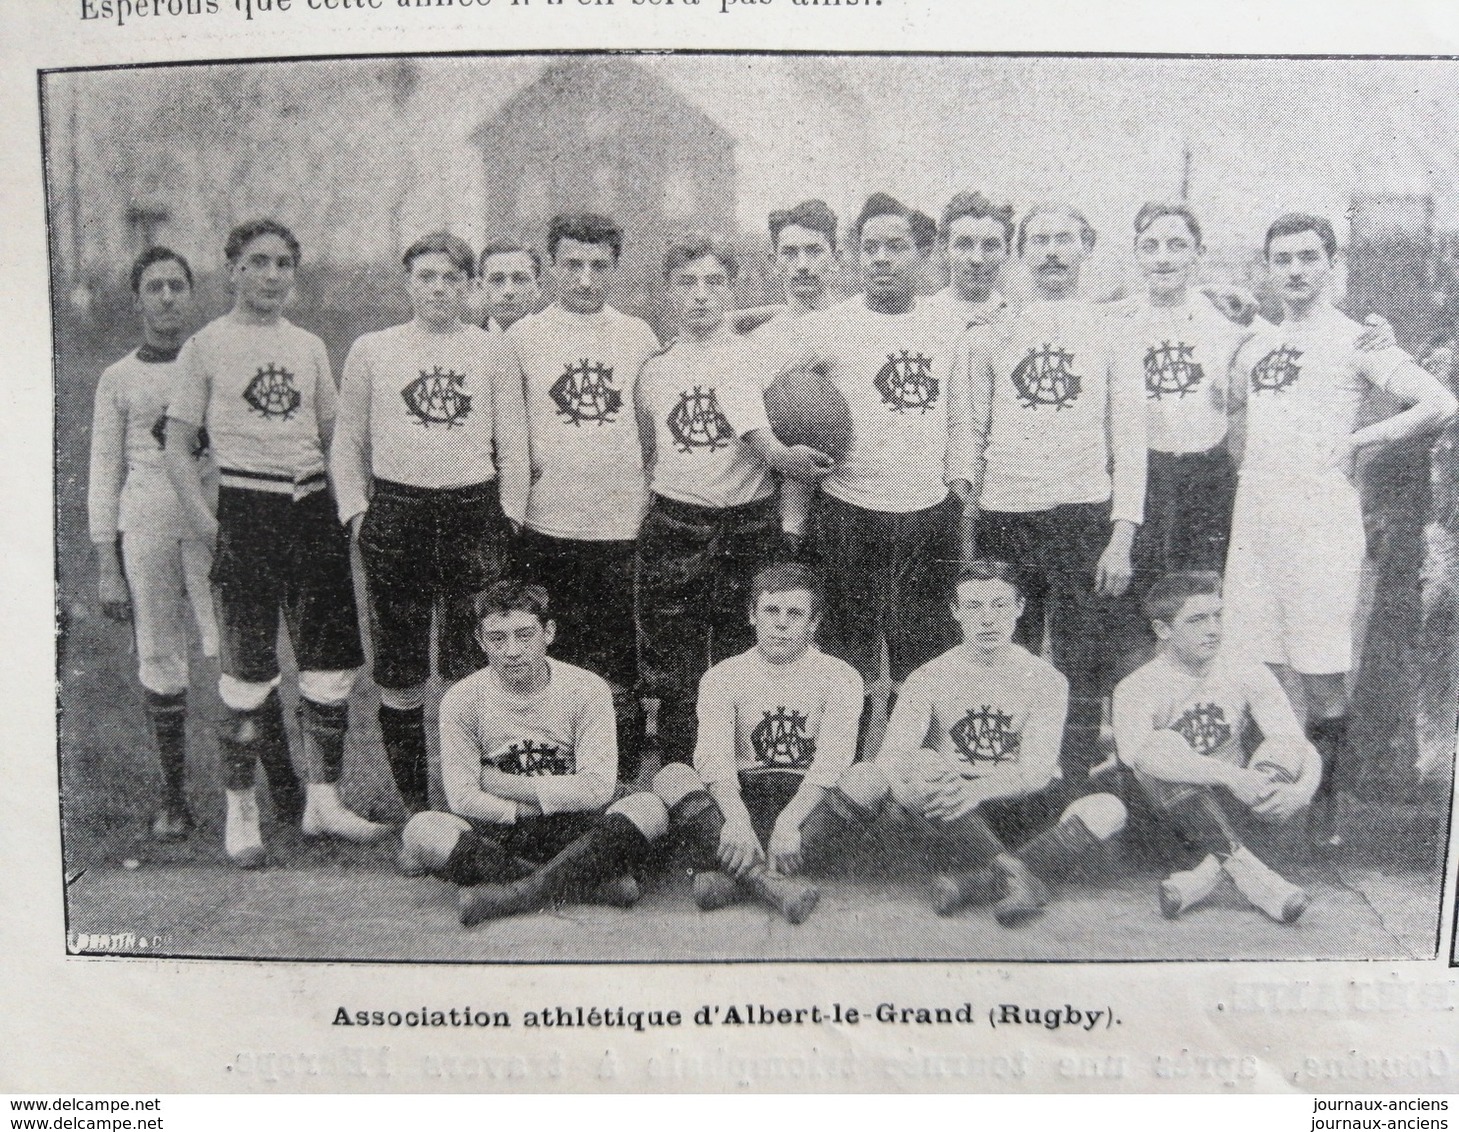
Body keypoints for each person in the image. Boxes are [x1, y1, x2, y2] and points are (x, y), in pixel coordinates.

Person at [1224, 213, 1457, 845]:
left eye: (1308, 257)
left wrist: (1361, 438)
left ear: (1332, 262)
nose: (1295, 270)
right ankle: (1263, 807)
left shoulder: (1359, 340)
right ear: (1268, 269)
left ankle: (1322, 816)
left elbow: (1440, 403)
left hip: (1320, 522)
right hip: (1256, 520)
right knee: (1256, 667)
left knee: (1321, 671)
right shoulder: (1260, 341)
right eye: (1282, 260)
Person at [163, 218, 387, 868]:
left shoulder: (310, 345)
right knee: (245, 672)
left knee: (327, 666)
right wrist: (208, 525)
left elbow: (334, 435)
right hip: (246, 511)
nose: (271, 275)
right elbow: (177, 447)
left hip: (310, 511)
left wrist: (348, 507)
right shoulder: (205, 346)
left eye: (283, 263)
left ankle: (323, 799)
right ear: (232, 268)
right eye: (257, 262)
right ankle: (242, 812)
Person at [331, 232, 530, 814]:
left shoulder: (493, 350)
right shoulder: (373, 349)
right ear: (408, 282)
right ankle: (419, 805)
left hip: (474, 512)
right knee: (400, 664)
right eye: (425, 276)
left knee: (473, 663)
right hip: (398, 513)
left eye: (450, 277)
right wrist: (358, 512)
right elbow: (348, 443)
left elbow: (512, 443)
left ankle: (471, 798)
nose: (437, 288)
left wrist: (509, 516)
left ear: (469, 286)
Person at [772, 192, 974, 755]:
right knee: (848, 664)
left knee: (926, 663)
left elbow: (959, 417)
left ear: (923, 254)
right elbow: (776, 388)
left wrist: (958, 492)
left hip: (926, 514)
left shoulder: (949, 323)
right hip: (848, 512)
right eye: (870, 248)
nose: (882, 258)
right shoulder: (829, 327)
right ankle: (842, 784)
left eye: (896, 246)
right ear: (855, 256)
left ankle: (920, 786)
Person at [957, 203, 1146, 776]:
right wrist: (969, 526)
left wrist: (1121, 537)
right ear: (1022, 252)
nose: (1053, 252)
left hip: (1082, 513)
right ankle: (998, 780)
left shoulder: (1114, 331)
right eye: (1039, 240)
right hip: (1007, 512)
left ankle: (1075, 783)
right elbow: (973, 432)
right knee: (1001, 652)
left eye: (1065, 239)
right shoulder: (991, 333)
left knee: (1081, 658)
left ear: (1086, 248)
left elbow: (1130, 442)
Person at [634, 236, 833, 768]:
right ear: (668, 291)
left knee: (742, 663)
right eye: (687, 283)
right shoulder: (654, 367)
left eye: (714, 283)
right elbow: (650, 452)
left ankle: (745, 780)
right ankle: (681, 791)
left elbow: (798, 405)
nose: (701, 295)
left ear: (732, 287)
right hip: (676, 523)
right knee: (677, 675)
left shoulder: (764, 355)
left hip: (748, 526)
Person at [850, 561, 1127, 925]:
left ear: (1019, 608)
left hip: (1021, 801)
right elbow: (890, 760)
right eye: (974, 606)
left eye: (999, 605)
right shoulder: (928, 676)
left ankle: (980, 882)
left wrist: (979, 789)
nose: (987, 619)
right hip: (956, 813)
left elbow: (1038, 771)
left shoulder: (1047, 680)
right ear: (955, 612)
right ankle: (1017, 878)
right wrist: (919, 779)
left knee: (1109, 808)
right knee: (919, 769)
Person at [397, 581, 668, 926]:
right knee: (421, 830)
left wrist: (497, 782)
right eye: (498, 638)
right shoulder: (462, 699)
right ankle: (589, 884)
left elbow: (597, 789)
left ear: (549, 632)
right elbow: (462, 800)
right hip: (501, 830)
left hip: (577, 827)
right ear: (481, 641)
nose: (512, 650)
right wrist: (525, 807)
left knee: (650, 807)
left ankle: (517, 894)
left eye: (525, 635)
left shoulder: (586, 688)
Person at [506, 213, 660, 784]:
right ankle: (550, 788)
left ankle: (612, 792)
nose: (586, 279)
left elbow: (651, 430)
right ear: (551, 266)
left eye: (599, 266)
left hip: (620, 528)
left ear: (615, 268)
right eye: (573, 265)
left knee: (616, 668)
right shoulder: (523, 337)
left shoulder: (637, 335)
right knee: (550, 663)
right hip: (546, 525)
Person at [87, 246, 219, 841]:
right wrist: (107, 566)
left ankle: (273, 796)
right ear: (138, 297)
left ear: (190, 294)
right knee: (163, 656)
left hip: (216, 524)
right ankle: (174, 796)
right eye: (155, 287)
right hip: (149, 522)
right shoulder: (120, 378)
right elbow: (102, 474)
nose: (167, 297)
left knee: (237, 656)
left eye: (176, 286)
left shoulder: (216, 360)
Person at [651, 563, 869, 922]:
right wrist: (736, 819)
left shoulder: (840, 676)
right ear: (752, 615)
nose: (781, 623)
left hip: (806, 805)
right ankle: (774, 883)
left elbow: (833, 761)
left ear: (813, 623)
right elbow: (713, 758)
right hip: (743, 797)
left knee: (867, 777)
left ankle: (737, 878)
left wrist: (789, 822)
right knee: (672, 775)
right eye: (771, 611)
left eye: (795, 614)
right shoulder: (723, 676)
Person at [1114, 572, 1320, 923]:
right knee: (1161, 746)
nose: (1214, 629)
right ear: (1163, 630)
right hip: (1168, 818)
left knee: (1284, 745)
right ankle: (1255, 878)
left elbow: (1297, 745)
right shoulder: (1137, 687)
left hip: (1237, 807)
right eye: (1197, 620)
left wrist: (1303, 791)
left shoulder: (1245, 669)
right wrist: (1233, 776)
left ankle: (1204, 879)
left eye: (1217, 616)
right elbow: (1140, 758)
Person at [748, 199, 846, 547]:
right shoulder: (758, 341)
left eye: (814, 251)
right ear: (774, 262)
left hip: (856, 497)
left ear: (836, 257)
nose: (802, 265)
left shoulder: (861, 324)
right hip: (782, 502)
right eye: (789, 253)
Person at [925, 191, 1014, 335]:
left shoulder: (1017, 321)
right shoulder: (923, 317)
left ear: (1006, 252)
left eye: (990, 246)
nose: (977, 259)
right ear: (944, 249)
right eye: (964, 245)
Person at [479, 240, 542, 334]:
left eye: (520, 280)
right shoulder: (466, 344)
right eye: (497, 280)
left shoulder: (558, 342)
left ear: (538, 287)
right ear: (481, 288)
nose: (509, 291)